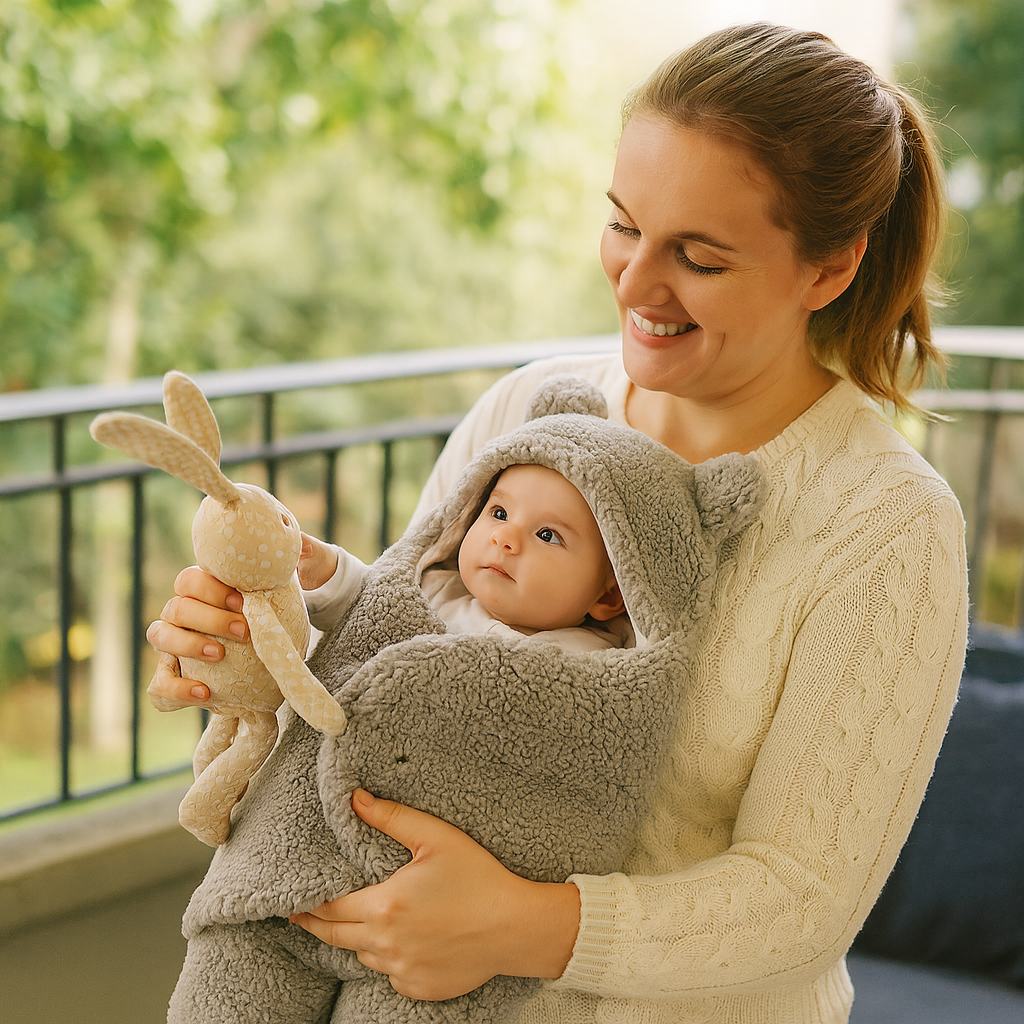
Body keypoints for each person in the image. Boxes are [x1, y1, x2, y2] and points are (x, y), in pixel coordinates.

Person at [148, 22, 969, 1024]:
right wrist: (259, 648)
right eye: (623, 225)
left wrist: (525, 926)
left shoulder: (886, 525)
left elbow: (805, 896)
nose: (632, 284)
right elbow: (418, 639)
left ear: (828, 269)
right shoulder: (528, 408)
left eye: (698, 258)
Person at [306, 459, 628, 653]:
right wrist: (328, 571)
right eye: (500, 513)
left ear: (609, 593)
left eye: (547, 535)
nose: (503, 537)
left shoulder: (589, 656)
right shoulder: (432, 588)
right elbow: (363, 611)